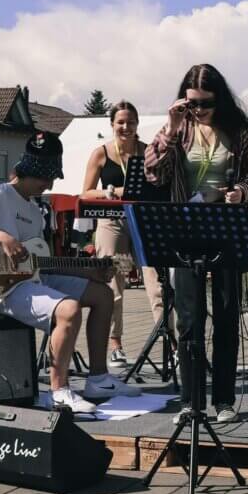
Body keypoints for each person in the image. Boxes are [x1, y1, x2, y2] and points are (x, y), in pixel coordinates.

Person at [0, 132, 140, 414]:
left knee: (103, 295)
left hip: (31, 277)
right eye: (44, 178)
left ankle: (99, 379)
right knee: (68, 309)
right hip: (0, 286)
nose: (49, 184)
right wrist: (0, 237)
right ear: (28, 172)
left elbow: (40, 263)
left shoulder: (36, 210)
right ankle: (59, 391)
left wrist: (90, 271)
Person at [144, 64, 248, 424]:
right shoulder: (179, 130)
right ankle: (190, 401)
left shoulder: (241, 133)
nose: (199, 110)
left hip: (226, 226)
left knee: (227, 316)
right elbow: (153, 173)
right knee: (189, 320)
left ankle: (224, 400)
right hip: (186, 228)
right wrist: (172, 128)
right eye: (192, 103)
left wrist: (240, 193)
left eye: (206, 104)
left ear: (220, 99)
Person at [80, 99, 165, 368]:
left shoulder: (148, 151)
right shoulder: (101, 153)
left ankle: (171, 342)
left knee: (156, 282)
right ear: (112, 125)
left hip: (142, 220)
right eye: (120, 122)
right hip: (112, 220)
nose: (125, 127)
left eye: (130, 122)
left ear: (137, 124)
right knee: (113, 281)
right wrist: (112, 192)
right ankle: (115, 344)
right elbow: (85, 193)